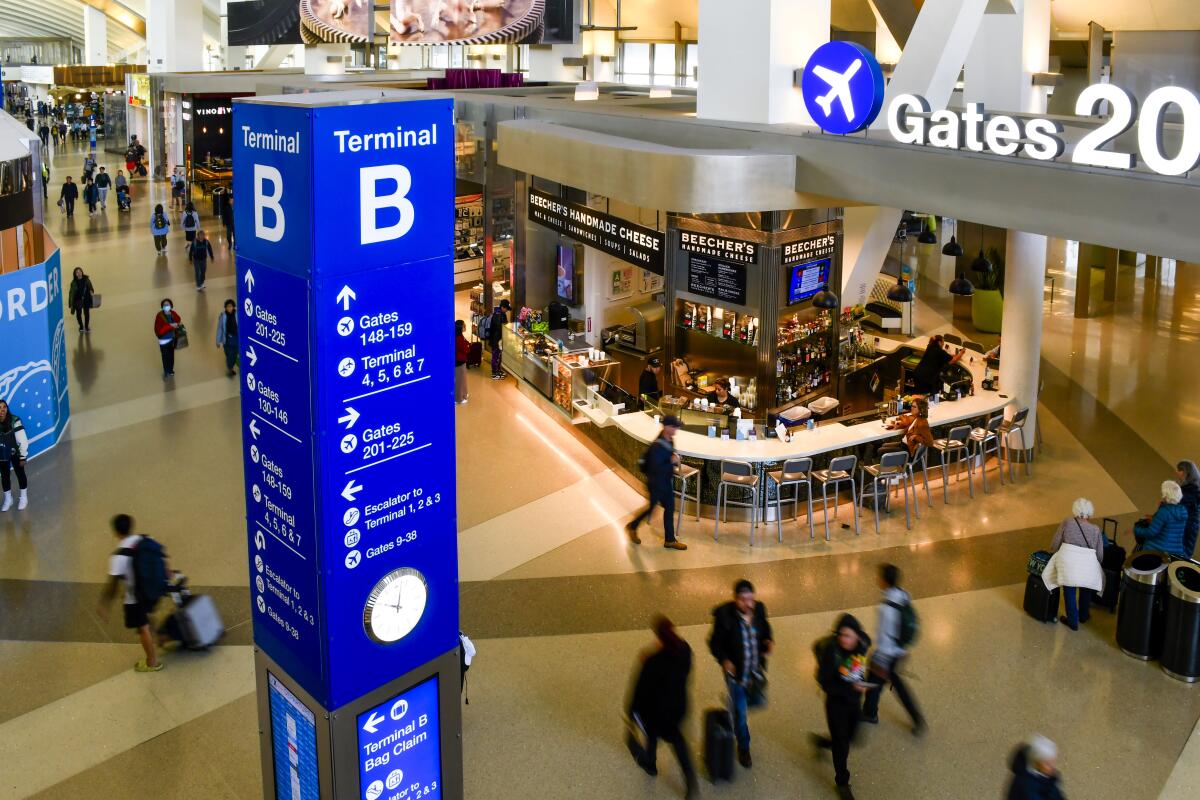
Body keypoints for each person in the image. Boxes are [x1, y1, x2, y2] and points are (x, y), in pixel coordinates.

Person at [628, 616, 697, 799]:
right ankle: (690, 781)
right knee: (679, 745)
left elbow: (640, 690)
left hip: (655, 713)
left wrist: (632, 712)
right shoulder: (685, 650)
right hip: (677, 709)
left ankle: (650, 765)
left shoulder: (652, 661)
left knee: (651, 737)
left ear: (658, 636)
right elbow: (687, 671)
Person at [708, 579, 773, 768]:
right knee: (741, 716)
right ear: (735, 600)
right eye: (743, 599)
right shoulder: (725, 617)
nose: (748, 603)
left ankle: (735, 708)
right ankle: (744, 747)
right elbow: (714, 643)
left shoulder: (759, 610)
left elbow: (766, 630)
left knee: (758, 701)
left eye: (751, 599)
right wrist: (724, 660)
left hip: (754, 672)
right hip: (736, 676)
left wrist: (769, 641)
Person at [812, 614, 873, 800]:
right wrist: (849, 685)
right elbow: (825, 684)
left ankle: (822, 742)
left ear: (857, 636)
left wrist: (860, 681)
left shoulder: (862, 643)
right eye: (841, 635)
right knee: (842, 744)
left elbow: (859, 663)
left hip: (854, 701)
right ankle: (842, 782)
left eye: (848, 636)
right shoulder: (831, 652)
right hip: (836, 703)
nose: (843, 639)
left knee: (853, 737)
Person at [97, 514, 168, 673]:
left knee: (142, 628)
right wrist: (167, 574)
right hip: (153, 589)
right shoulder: (145, 538)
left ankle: (152, 662)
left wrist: (104, 604)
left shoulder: (118, 556)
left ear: (115, 532)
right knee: (147, 618)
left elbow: (113, 584)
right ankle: (163, 637)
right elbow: (161, 555)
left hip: (135, 598)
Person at [862, 564, 925, 734]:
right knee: (878, 682)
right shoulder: (903, 594)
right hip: (901, 651)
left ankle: (872, 714)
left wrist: (877, 659)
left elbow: (884, 636)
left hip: (887, 655)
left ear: (884, 581)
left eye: (878, 576)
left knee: (881, 683)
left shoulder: (885, 609)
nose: (876, 579)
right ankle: (870, 712)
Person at [626, 416, 688, 550]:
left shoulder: (670, 440)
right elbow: (656, 468)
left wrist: (673, 460)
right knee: (651, 509)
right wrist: (671, 462)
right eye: (674, 426)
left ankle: (670, 540)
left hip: (665, 481)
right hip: (656, 483)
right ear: (666, 427)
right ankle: (632, 526)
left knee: (669, 508)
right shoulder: (657, 446)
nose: (676, 429)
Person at [1046, 498, 1104, 630]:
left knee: (1069, 590)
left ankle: (1072, 620)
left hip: (1069, 562)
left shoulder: (1067, 522)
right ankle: (1084, 615)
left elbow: (1056, 542)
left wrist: (1052, 552)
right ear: (1090, 513)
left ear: (1075, 510)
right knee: (1086, 588)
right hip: (1087, 565)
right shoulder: (1095, 530)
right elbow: (1100, 554)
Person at [1134, 480, 1188, 556]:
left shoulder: (1164, 512)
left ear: (1166, 495)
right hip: (1176, 552)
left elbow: (1150, 533)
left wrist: (1136, 529)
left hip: (1158, 550)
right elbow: (1170, 526)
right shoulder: (1183, 511)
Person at [1005, 735, 1064, 800]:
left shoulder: (1045, 778)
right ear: (1037, 763)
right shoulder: (1026, 785)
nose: (1052, 767)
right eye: (1048, 764)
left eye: (1053, 762)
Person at [0, 400, 30, 512]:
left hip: (15, 453)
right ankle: (8, 499)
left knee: (20, 473)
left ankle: (24, 497)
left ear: (7, 409)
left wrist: (23, 456)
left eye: (4, 407)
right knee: (4, 476)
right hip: (2, 454)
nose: (2, 410)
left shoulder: (15, 420)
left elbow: (23, 440)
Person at [1176, 460, 1200, 557]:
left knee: (1182, 555)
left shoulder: (1192, 489)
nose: (1177, 472)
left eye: (1180, 470)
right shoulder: (1191, 488)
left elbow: (1181, 506)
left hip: (1187, 525)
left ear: (1187, 472)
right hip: (1189, 524)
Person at [155, 298, 182, 379]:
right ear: (162, 306)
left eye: (168, 304)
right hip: (163, 340)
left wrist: (176, 324)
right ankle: (166, 370)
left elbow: (179, 319)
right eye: (164, 305)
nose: (166, 306)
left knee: (171, 355)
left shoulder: (173, 313)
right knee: (165, 356)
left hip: (172, 339)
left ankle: (170, 370)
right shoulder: (160, 316)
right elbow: (159, 329)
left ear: (171, 305)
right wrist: (170, 326)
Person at [487, 299, 511, 380]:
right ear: (503, 307)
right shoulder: (498, 315)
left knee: (499, 356)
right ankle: (494, 373)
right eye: (506, 309)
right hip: (496, 340)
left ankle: (498, 370)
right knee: (495, 356)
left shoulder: (501, 313)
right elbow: (499, 327)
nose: (507, 310)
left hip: (499, 339)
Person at [216, 299, 239, 377]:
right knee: (229, 355)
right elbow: (220, 328)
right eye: (228, 307)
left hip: (236, 337)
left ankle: (234, 365)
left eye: (231, 306)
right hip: (228, 339)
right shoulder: (223, 316)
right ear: (225, 308)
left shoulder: (237, 314)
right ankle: (230, 368)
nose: (229, 308)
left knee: (236, 353)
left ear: (233, 307)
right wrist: (218, 341)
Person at [69, 267, 95, 332]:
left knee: (87, 313)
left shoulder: (86, 279)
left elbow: (91, 287)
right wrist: (71, 303)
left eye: (80, 271)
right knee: (78, 314)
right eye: (77, 272)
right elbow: (71, 293)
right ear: (75, 274)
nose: (79, 273)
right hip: (77, 300)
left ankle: (86, 326)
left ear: (82, 272)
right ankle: (81, 326)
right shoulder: (73, 282)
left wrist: (91, 292)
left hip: (86, 299)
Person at [454, 320, 471, 404]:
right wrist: (468, 346)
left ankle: (464, 394)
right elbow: (466, 349)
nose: (465, 327)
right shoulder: (458, 338)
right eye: (464, 326)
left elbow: (466, 344)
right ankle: (458, 398)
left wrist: (467, 344)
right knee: (459, 381)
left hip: (460, 361)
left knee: (462, 379)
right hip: (459, 361)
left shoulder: (459, 336)